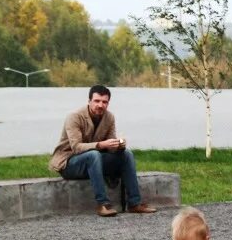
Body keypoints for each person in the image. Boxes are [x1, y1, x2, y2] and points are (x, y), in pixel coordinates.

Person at [48, 85, 157, 217]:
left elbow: (109, 146)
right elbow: (76, 147)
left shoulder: (109, 117)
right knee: (93, 155)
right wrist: (100, 145)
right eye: (97, 101)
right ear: (89, 101)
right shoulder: (74, 117)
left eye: (104, 102)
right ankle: (103, 204)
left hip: (94, 161)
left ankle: (134, 203)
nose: (100, 105)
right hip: (69, 163)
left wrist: (118, 145)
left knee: (126, 154)